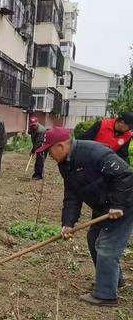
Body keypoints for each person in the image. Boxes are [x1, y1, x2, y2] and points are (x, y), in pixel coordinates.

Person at [36, 127, 133, 307]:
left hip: (123, 203)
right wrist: (68, 223)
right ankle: (114, 280)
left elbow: (124, 175)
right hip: (102, 205)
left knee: (106, 246)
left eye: (50, 150)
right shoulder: (65, 164)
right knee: (93, 238)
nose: (49, 155)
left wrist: (117, 204)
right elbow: (72, 195)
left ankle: (106, 295)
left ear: (61, 146)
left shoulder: (94, 152)